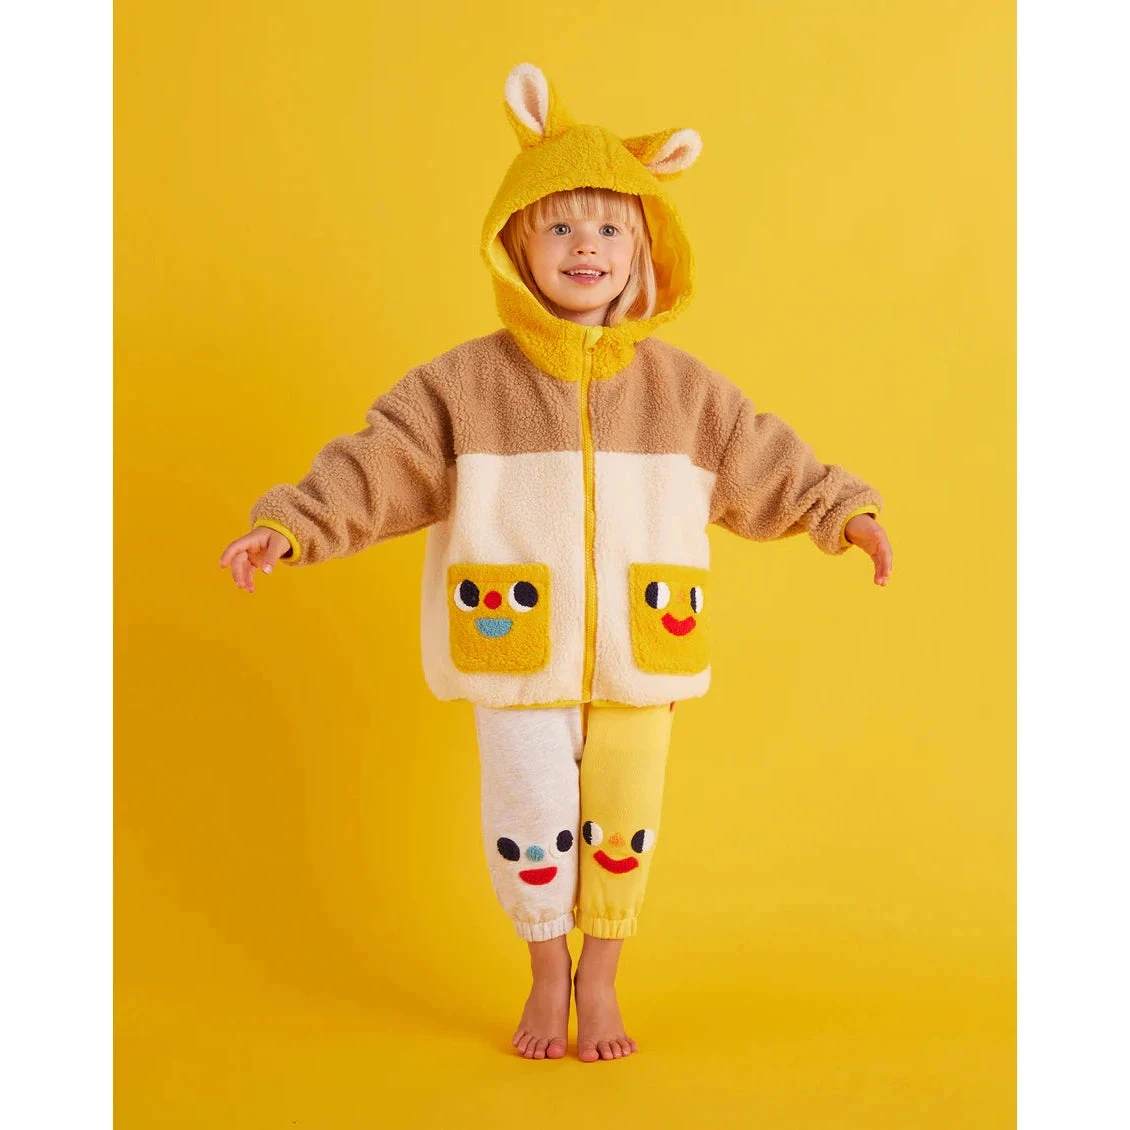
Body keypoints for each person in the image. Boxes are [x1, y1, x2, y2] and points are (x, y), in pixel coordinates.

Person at [218, 62, 894, 1063]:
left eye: (612, 229)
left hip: (642, 651)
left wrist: (841, 511)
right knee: (531, 818)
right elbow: (378, 462)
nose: (587, 246)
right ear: (516, 244)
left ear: (644, 252)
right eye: (561, 226)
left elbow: (765, 457)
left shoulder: (684, 393)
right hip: (513, 647)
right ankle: (544, 971)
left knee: (624, 819)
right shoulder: (462, 386)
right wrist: (295, 523)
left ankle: (601, 977)